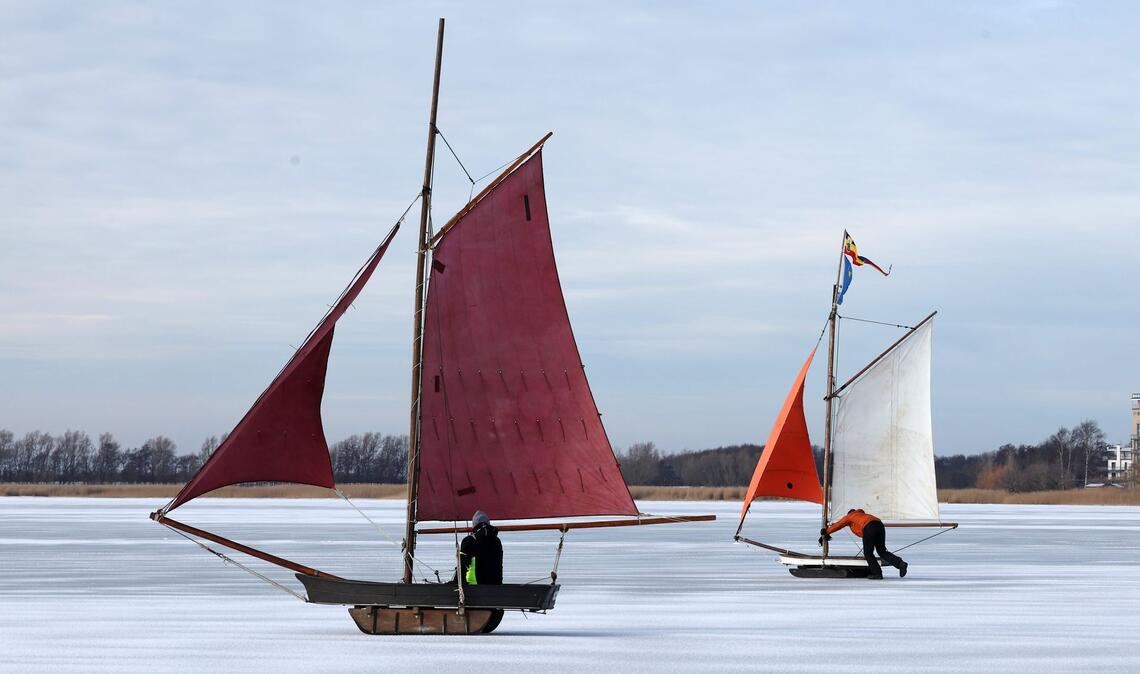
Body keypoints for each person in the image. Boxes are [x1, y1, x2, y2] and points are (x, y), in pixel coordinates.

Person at [819, 508, 908, 580]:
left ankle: (877, 574)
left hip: (869, 527)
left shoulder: (850, 516)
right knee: (882, 551)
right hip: (879, 525)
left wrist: (826, 532)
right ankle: (900, 564)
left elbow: (839, 524)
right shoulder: (863, 515)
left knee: (868, 553)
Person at [459, 510, 503, 585]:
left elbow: (462, 566)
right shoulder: (497, 541)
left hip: (474, 587)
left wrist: (456, 582)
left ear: (474, 525)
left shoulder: (469, 540)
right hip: (496, 586)